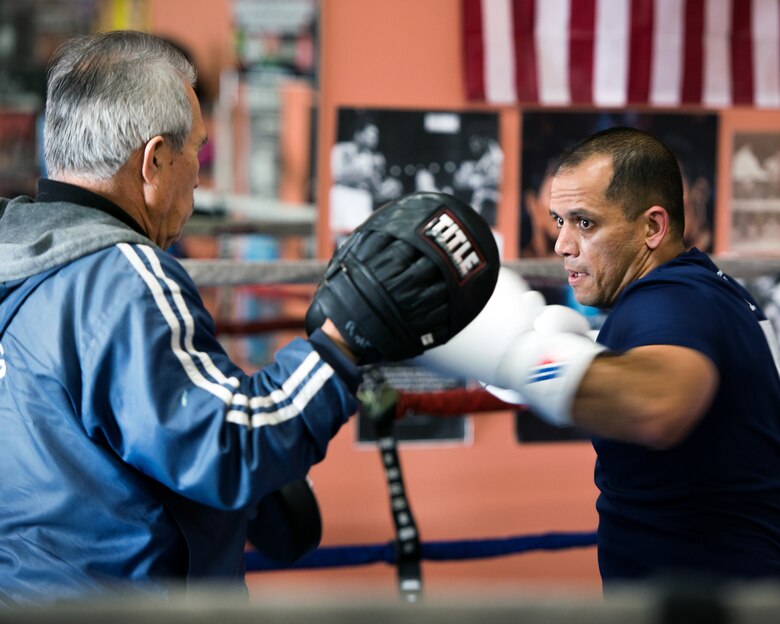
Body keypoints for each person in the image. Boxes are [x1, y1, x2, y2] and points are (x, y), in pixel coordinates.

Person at [0, 31, 499, 604]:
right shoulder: (123, 274)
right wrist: (341, 345)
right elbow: (230, 446)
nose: (198, 174)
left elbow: (90, 433)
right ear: (155, 159)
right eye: (196, 151)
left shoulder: (19, 261)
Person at [421, 127, 780, 586]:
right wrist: (582, 356)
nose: (562, 245)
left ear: (652, 226)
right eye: (558, 221)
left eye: (584, 222)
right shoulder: (704, 287)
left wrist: (521, 357)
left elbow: (658, 403)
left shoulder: (669, 300)